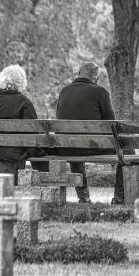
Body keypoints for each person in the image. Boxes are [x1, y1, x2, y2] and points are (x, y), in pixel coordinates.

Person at [56, 62, 124, 204]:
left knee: (74, 146)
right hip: (93, 147)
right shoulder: (100, 92)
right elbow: (111, 124)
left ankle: (83, 197)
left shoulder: (64, 91)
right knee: (128, 149)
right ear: (96, 78)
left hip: (67, 147)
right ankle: (119, 197)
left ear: (79, 73)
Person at [0, 64, 44, 163]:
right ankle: (42, 176)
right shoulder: (24, 103)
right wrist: (39, 153)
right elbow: (32, 133)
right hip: (19, 152)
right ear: (21, 81)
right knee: (40, 151)